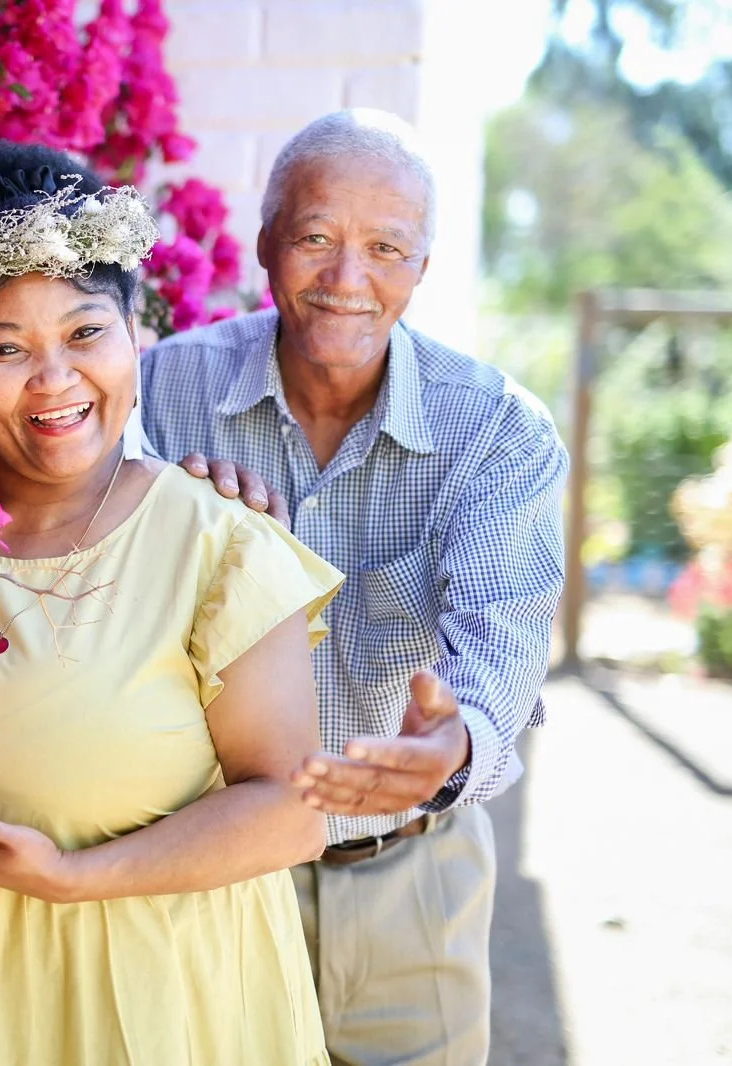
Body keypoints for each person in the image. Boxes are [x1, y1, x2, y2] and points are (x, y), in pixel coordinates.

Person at [0, 142, 344, 1066]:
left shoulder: (217, 542)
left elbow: (294, 810)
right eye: (6, 348)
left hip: (152, 1008)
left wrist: (71, 878)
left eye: (85, 332)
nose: (54, 379)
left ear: (137, 330)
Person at [142, 109, 569, 1066]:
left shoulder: (497, 433)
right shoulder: (157, 394)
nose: (348, 279)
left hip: (412, 875)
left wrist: (453, 743)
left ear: (422, 266)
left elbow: (501, 639)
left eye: (386, 248)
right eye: (316, 239)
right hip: (210, 876)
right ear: (264, 244)